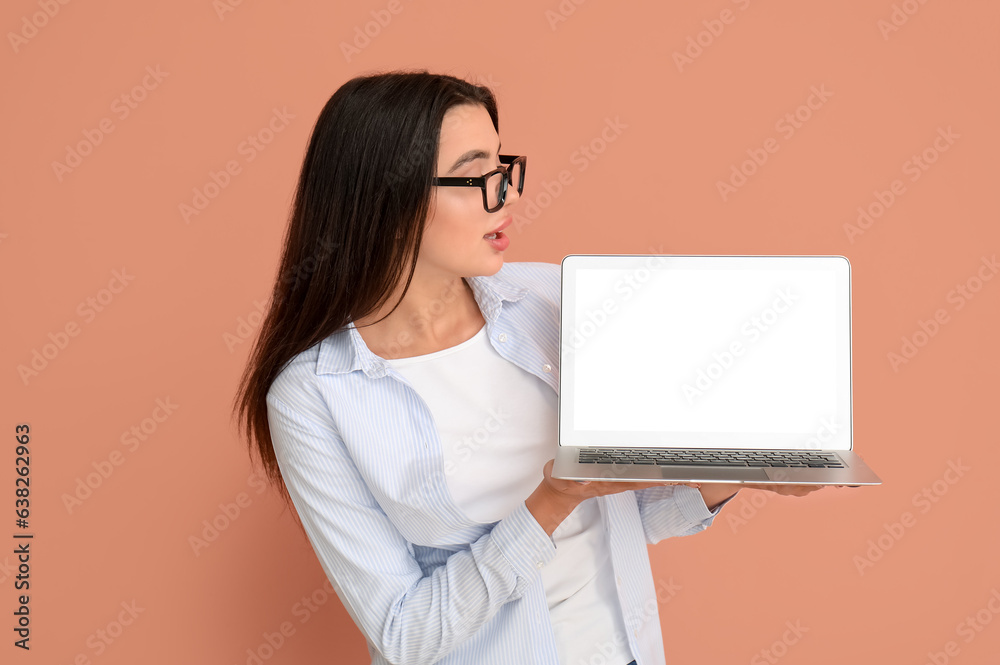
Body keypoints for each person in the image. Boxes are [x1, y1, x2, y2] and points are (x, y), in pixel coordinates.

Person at [234, 71, 821, 665]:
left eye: (502, 166)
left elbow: (623, 520)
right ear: (389, 197)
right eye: (475, 174)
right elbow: (404, 632)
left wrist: (739, 468)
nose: (508, 196)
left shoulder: (554, 299)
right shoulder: (314, 393)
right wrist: (552, 498)